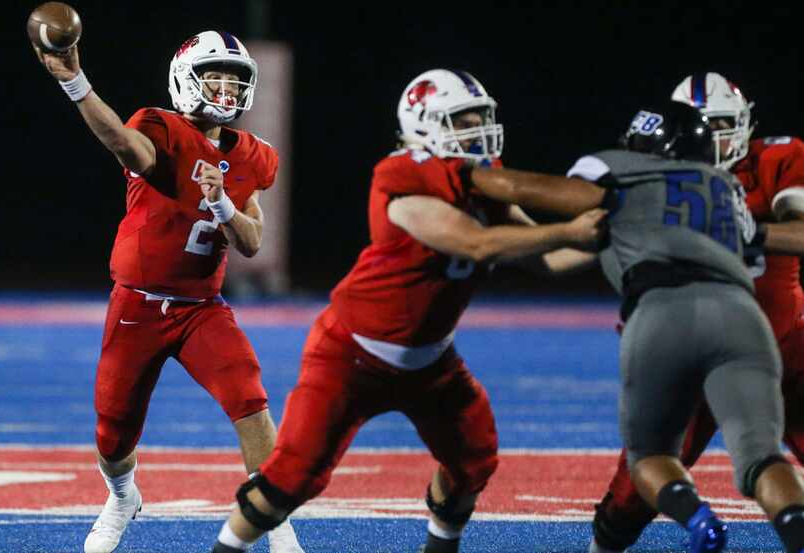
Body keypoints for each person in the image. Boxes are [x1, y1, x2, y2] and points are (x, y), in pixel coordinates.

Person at [209, 68, 606, 553]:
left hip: (430, 361)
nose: (478, 128)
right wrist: (571, 229)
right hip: (351, 355)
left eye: (482, 117)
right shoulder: (403, 176)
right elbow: (476, 244)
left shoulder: (480, 183)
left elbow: (543, 257)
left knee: (474, 461)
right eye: (465, 119)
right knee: (292, 479)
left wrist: (612, 240)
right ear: (424, 124)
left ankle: (440, 547)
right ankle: (225, 548)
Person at [468, 100, 804, 552]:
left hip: (665, 311)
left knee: (650, 458)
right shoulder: (725, 188)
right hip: (745, 321)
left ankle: (698, 519)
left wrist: (464, 174)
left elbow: (535, 189)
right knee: (762, 458)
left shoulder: (620, 170)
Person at [32, 30, 304, 553]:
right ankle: (122, 496)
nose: (226, 89)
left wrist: (223, 204)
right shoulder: (157, 128)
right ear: (185, 78)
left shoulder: (254, 157)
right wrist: (75, 81)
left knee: (251, 401)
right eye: (214, 76)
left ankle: (278, 525)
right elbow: (121, 143)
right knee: (114, 434)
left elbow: (249, 243)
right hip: (137, 303)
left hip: (202, 308)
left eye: (235, 79)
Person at [585, 73, 804, 553]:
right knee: (630, 496)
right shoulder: (651, 178)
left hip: (783, 348)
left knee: (656, 460)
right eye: (704, 125)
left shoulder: (776, 159)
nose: (715, 137)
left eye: (725, 125)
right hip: (713, 348)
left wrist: (749, 234)